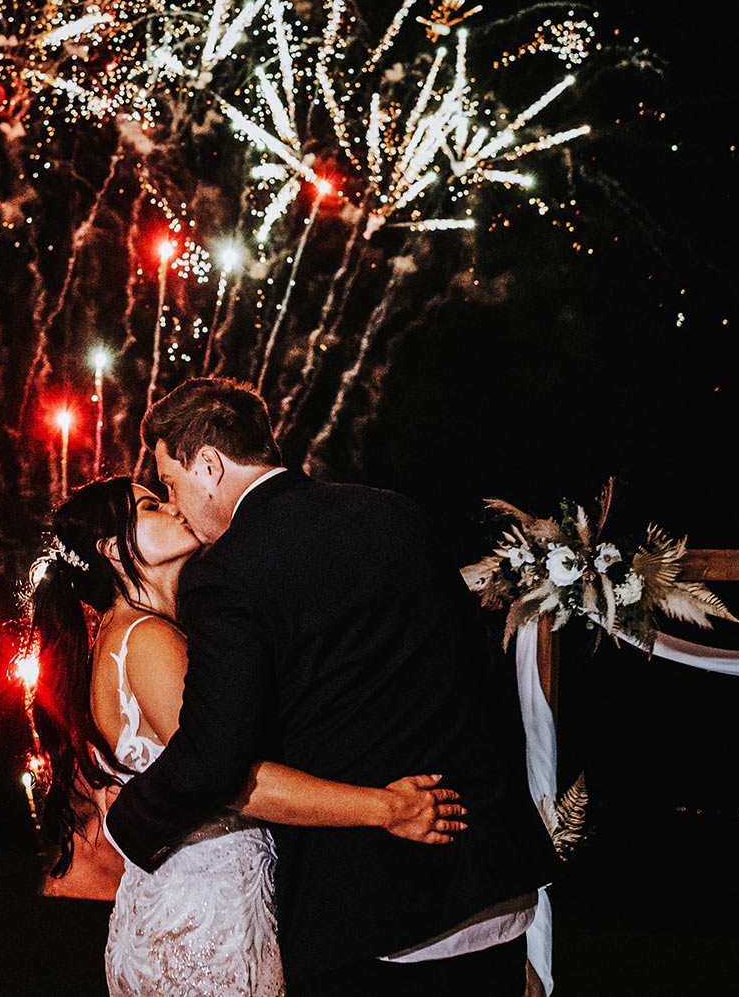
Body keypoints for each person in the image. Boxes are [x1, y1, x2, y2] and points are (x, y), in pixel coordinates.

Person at [106, 378, 555, 996]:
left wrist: (127, 821)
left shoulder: (226, 574)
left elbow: (214, 758)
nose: (175, 502)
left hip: (381, 910)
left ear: (209, 465)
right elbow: (477, 671)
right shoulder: (395, 512)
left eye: (171, 482)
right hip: (492, 877)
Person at [27, 472, 467, 997]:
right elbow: (223, 777)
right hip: (204, 926)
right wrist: (386, 808)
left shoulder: (126, 637)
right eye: (149, 507)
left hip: (183, 909)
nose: (172, 507)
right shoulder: (148, 640)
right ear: (113, 552)